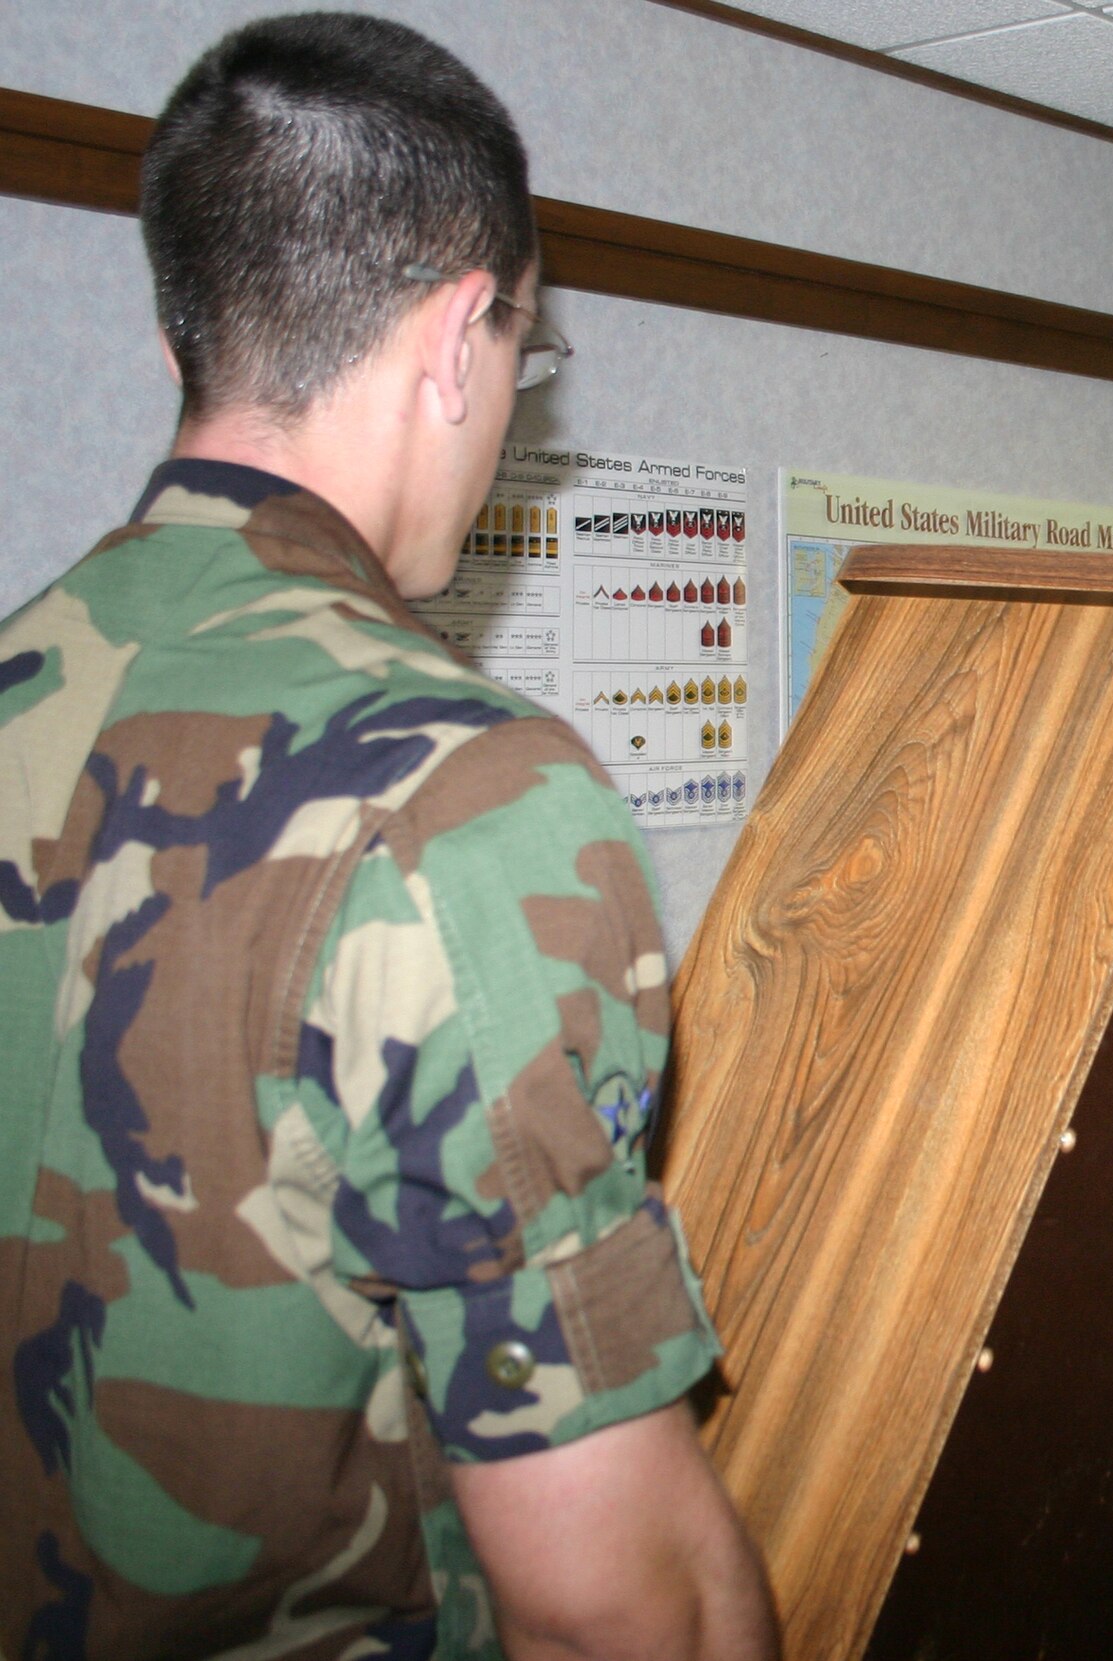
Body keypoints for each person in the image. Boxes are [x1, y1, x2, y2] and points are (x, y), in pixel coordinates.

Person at [0, 15, 775, 1659]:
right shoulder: (461, 796)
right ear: (458, 339)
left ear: (177, 349)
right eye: (523, 357)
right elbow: (617, 1607)